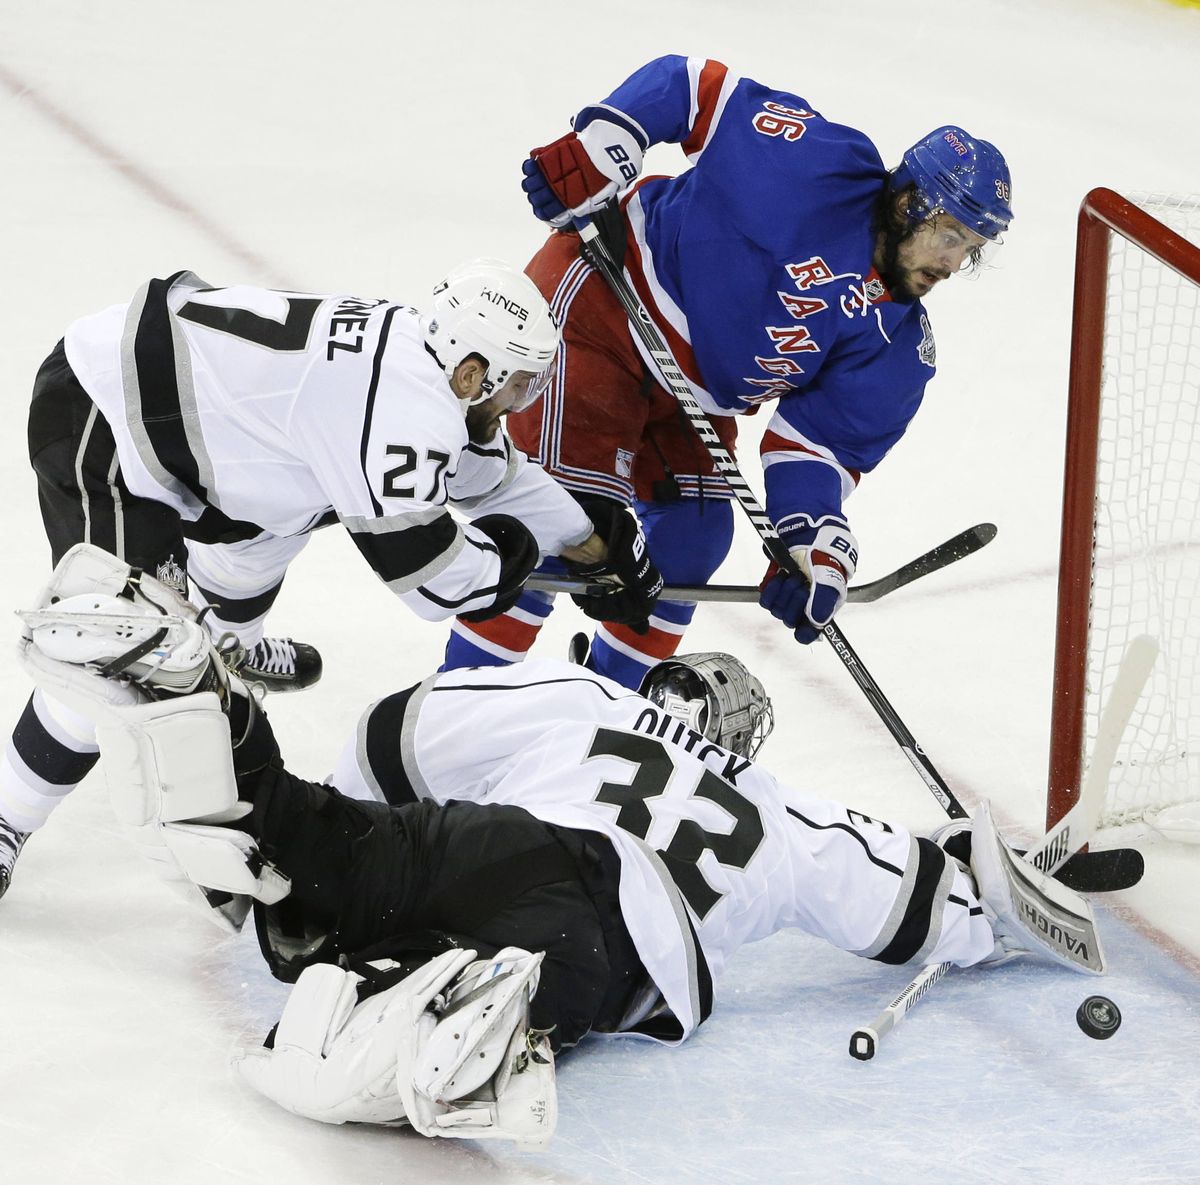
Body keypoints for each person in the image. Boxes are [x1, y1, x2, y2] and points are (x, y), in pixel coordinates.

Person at [13, 545, 1101, 1144]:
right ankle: (470, 1004)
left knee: (309, 837)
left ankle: (192, 691)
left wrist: (342, 833)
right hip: (601, 920)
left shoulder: (578, 694)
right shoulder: (781, 811)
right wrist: (982, 881)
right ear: (739, 735)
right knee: (534, 979)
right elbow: (921, 904)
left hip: (493, 839)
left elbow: (396, 734)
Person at [0, 261, 664, 899]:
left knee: (247, 565)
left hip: (230, 464)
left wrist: (590, 540)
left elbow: (494, 477)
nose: (523, 402)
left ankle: (224, 648)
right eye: (519, 384)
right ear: (473, 373)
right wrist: (516, 558)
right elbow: (433, 581)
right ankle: (7, 816)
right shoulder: (405, 410)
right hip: (109, 414)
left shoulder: (427, 365)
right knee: (126, 655)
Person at [442, 54, 1013, 689]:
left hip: (696, 396)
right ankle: (459, 704)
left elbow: (818, 446)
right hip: (605, 304)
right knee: (567, 523)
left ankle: (602, 706)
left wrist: (809, 537)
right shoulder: (818, 163)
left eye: (972, 248)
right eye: (950, 234)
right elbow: (690, 87)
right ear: (908, 203)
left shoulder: (898, 341)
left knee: (695, 539)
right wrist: (605, 143)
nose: (954, 263)